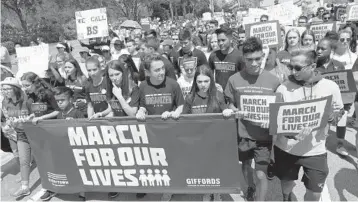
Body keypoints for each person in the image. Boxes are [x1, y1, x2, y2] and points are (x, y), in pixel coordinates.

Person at [274, 48, 344, 201]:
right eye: (290, 67)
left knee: (314, 194)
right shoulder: (283, 88)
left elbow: (339, 111)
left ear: (312, 67)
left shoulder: (331, 87)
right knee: (286, 186)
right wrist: (290, 133)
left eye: (297, 68)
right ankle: (287, 197)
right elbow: (277, 122)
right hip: (286, 149)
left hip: (315, 151)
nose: (293, 71)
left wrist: (333, 117)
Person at [224, 37, 280, 201]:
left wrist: (272, 120)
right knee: (246, 167)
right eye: (249, 60)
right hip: (243, 135)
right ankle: (250, 187)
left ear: (263, 56)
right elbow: (229, 103)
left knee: (261, 175)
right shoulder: (234, 79)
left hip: (264, 137)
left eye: (257, 58)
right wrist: (234, 110)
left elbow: (280, 108)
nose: (254, 63)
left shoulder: (274, 81)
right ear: (243, 58)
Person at [136, 53, 184, 201]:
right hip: (151, 132)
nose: (162, 72)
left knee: (170, 161)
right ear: (148, 72)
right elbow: (142, 106)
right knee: (153, 161)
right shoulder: (143, 86)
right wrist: (140, 111)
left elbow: (181, 105)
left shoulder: (173, 84)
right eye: (157, 70)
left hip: (170, 130)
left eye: (163, 68)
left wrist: (174, 112)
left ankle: (170, 189)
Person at [182, 64, 233, 202]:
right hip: (198, 142)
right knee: (203, 170)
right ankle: (206, 192)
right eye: (199, 81)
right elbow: (183, 120)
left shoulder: (218, 95)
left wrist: (227, 112)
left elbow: (226, 111)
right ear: (195, 82)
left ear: (211, 80)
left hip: (216, 141)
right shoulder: (190, 98)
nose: (203, 84)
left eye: (206, 81)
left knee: (216, 169)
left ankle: (217, 193)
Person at [20, 72, 60, 201]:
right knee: (43, 160)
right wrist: (32, 116)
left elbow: (58, 110)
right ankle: (48, 185)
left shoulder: (48, 93)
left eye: (27, 85)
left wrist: (42, 117)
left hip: (52, 130)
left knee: (54, 159)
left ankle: (54, 187)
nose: (24, 88)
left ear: (35, 83)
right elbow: (34, 112)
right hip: (39, 132)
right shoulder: (30, 96)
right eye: (23, 86)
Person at [1, 77, 33, 198]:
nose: (5, 91)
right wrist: (9, 124)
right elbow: (7, 117)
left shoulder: (27, 100)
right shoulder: (5, 102)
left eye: (7, 89)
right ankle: (25, 187)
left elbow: (37, 114)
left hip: (35, 134)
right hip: (20, 135)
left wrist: (27, 119)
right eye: (3, 89)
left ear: (15, 88)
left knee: (42, 158)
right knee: (24, 161)